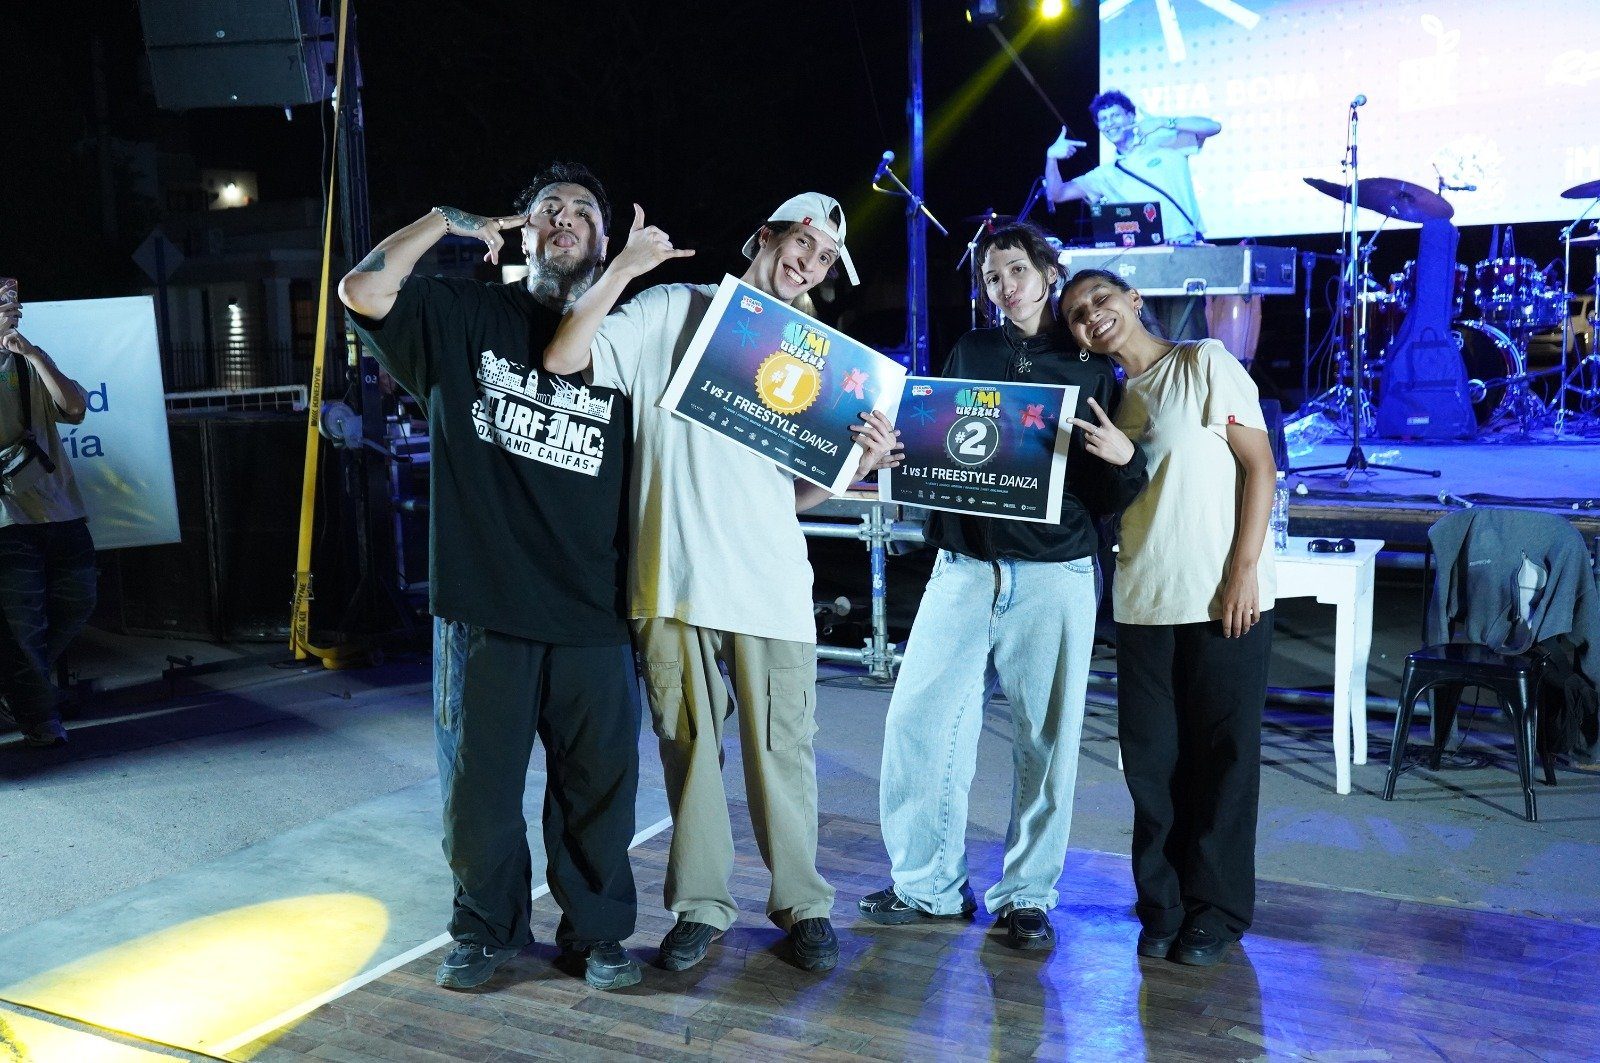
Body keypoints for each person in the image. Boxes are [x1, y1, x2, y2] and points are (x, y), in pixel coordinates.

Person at [543, 192, 899, 974]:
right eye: (802, 241)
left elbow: (793, 493)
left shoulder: (816, 358)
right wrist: (625, 269)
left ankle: (803, 903)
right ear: (766, 234)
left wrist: (857, 466)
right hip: (671, 578)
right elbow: (565, 359)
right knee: (690, 750)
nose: (810, 262)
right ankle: (701, 906)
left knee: (783, 750)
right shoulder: (674, 307)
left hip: (770, 581)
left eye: (825, 257)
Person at [338, 162, 645, 993]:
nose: (565, 218)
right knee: (480, 792)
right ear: (522, 231)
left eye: (584, 210)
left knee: (598, 791)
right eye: (548, 208)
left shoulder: (626, 337)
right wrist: (444, 219)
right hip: (484, 605)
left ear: (605, 242)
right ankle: (485, 927)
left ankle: (597, 933)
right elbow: (361, 290)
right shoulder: (464, 314)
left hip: (594, 609)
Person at [859, 223, 1148, 951]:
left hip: (1054, 571)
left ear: (1048, 272)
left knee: (1045, 741)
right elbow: (939, 449)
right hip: (964, 567)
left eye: (1016, 270)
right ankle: (926, 885)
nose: (1005, 287)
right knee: (920, 724)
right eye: (992, 277)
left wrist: (1126, 463)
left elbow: (1105, 490)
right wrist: (897, 455)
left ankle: (1027, 896)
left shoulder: (1089, 363)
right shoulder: (972, 350)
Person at [1059, 268, 1277, 967]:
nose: (1092, 315)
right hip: (1143, 601)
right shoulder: (1107, 405)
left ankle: (1216, 911)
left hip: (1220, 596)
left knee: (1223, 761)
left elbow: (1261, 467)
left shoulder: (1202, 362)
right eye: (1077, 314)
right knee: (1152, 767)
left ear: (1134, 299)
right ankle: (1163, 905)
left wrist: (1244, 570)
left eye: (1100, 299)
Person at [1045, 90, 1222, 341]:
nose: (1110, 123)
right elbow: (1057, 193)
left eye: (1115, 115)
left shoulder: (1166, 143)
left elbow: (1213, 127)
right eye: (1103, 119)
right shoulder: (1106, 174)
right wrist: (1051, 158)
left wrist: (1165, 122)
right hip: (1140, 263)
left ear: (1130, 116)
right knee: (1148, 340)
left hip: (1181, 253)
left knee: (1188, 339)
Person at [0, 282, 95, 749]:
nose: (14, 308)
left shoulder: (27, 356)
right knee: (26, 624)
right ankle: (40, 717)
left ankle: (17, 684)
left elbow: (74, 408)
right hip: (8, 517)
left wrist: (35, 355)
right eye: (3, 301)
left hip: (60, 507)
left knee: (79, 602)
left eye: (13, 301)